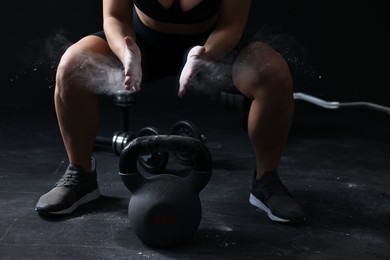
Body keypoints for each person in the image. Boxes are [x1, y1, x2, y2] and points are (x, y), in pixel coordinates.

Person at [35, 0, 305, 223]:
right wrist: (127, 53)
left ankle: (266, 180)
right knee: (72, 65)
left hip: (213, 47)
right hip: (140, 46)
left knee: (274, 72)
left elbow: (230, 24)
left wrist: (204, 54)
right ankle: (81, 176)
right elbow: (115, 17)